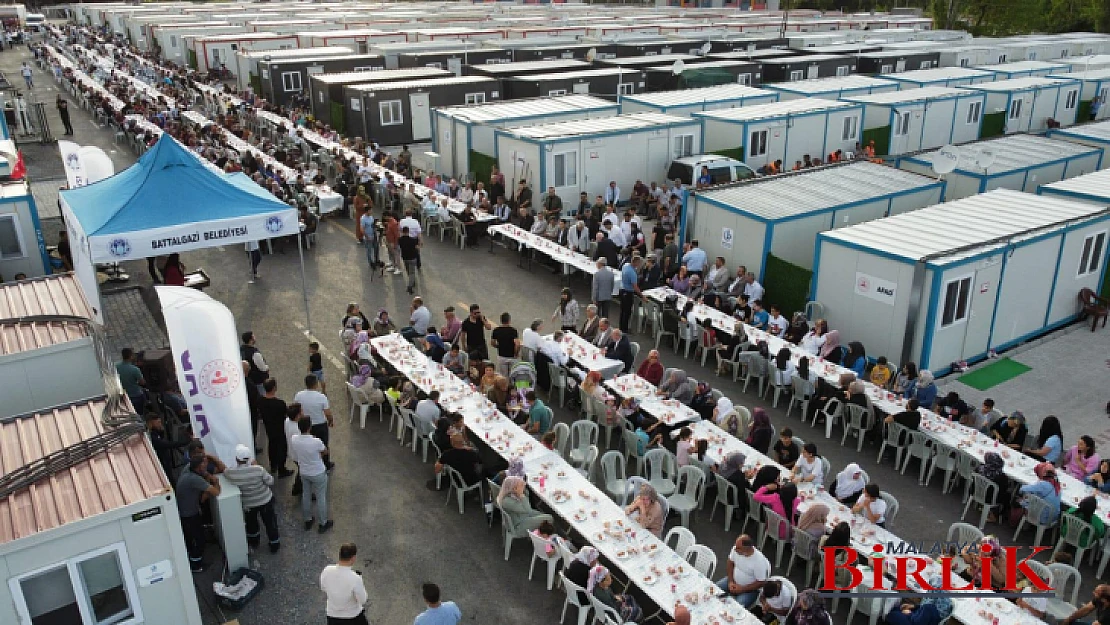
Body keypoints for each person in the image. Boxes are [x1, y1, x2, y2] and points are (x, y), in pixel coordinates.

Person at [224, 444, 281, 553]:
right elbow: (270, 481)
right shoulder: (258, 470)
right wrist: (257, 465)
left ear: (237, 459)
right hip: (265, 500)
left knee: (251, 523)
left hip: (248, 504)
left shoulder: (232, 473)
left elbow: (225, 472)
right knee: (270, 522)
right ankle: (274, 543)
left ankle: (254, 541)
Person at [177, 454, 221, 572]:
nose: (206, 467)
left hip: (184, 511)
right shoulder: (194, 479)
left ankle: (192, 556)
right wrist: (215, 481)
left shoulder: (188, 468)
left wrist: (208, 475)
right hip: (190, 514)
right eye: (205, 465)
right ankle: (196, 565)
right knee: (199, 539)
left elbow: (204, 475)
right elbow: (216, 492)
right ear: (199, 467)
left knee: (190, 538)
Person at [291, 417, 333, 533]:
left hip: (304, 472)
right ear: (309, 427)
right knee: (321, 497)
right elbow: (325, 451)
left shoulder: (294, 439)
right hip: (318, 472)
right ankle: (323, 522)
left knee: (306, 495)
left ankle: (307, 519)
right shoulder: (316, 441)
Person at [716, 534, 770, 608]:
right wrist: (730, 581)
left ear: (746, 550)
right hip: (733, 581)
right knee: (715, 590)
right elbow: (730, 562)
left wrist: (742, 589)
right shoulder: (736, 549)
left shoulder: (759, 562)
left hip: (749, 590)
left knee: (737, 608)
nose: (735, 549)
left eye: (738, 548)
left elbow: (761, 582)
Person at [320, 543, 369, 624]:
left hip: (332, 616)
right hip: (353, 617)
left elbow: (323, 588)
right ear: (353, 558)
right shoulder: (355, 578)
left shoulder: (327, 570)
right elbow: (363, 599)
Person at [259, 379, 294, 477]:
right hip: (279, 428)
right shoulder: (279, 403)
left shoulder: (261, 400)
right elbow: (286, 414)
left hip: (269, 428)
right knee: (282, 448)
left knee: (272, 445)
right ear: (274, 388)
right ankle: (281, 469)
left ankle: (273, 465)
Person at [295, 374, 334, 448]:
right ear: (316, 384)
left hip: (305, 425)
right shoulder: (321, 397)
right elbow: (328, 413)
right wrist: (330, 421)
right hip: (320, 425)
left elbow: (296, 409)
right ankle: (325, 459)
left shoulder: (298, 395)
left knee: (307, 446)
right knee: (323, 446)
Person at [116, 348, 147, 412]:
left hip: (124, 397)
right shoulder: (135, 369)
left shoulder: (116, 367)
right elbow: (142, 382)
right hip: (136, 396)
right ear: (131, 356)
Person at [490, 312, 521, 376]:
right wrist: (516, 354)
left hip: (501, 356)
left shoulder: (496, 330)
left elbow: (492, 343)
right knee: (513, 374)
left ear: (501, 321)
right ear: (509, 320)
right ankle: (512, 385)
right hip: (512, 356)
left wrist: (498, 346)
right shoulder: (513, 331)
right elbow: (517, 344)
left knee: (503, 375)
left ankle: (505, 385)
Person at [618, 255, 642, 332]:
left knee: (622, 310)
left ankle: (621, 326)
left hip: (622, 289)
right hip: (628, 292)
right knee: (627, 311)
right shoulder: (632, 273)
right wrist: (642, 295)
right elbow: (635, 286)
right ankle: (624, 329)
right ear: (636, 263)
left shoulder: (625, 265)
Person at [399, 226, 420, 294]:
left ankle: (412, 281)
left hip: (405, 257)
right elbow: (417, 247)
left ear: (402, 231)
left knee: (408, 270)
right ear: (408, 231)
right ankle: (410, 285)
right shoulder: (413, 240)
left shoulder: (400, 239)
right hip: (412, 257)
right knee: (412, 272)